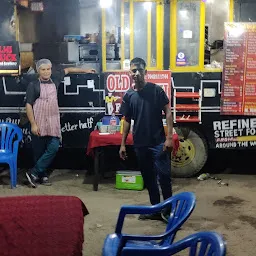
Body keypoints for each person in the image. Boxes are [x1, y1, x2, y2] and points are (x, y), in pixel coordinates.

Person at [25, 59, 95, 188]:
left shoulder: (55, 78)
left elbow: (68, 70)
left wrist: (85, 70)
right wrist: (33, 124)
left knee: (53, 147)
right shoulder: (33, 85)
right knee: (39, 151)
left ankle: (33, 172)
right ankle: (42, 176)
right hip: (39, 121)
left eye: (48, 69)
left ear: (51, 69)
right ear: (38, 71)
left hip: (53, 121)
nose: (46, 72)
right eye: (43, 69)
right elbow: (28, 105)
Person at [119, 57, 173, 222]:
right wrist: (122, 144)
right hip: (140, 144)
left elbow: (168, 111)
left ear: (145, 72)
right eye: (133, 70)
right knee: (149, 178)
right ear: (129, 73)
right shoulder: (129, 95)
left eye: (139, 70)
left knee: (164, 177)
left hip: (158, 143)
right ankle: (155, 210)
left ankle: (169, 211)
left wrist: (169, 137)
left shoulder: (156, 90)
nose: (136, 74)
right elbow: (127, 119)